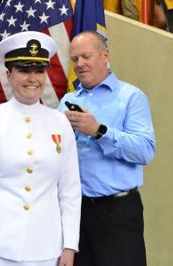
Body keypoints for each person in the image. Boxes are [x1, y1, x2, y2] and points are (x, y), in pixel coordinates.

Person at [0, 31, 82, 266]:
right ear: (9, 74)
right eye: (24, 70)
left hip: (46, 249)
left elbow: (69, 190)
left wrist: (69, 245)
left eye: (39, 71)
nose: (32, 78)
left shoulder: (60, 123)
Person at [58, 31, 156, 266]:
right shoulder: (67, 101)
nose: (79, 64)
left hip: (118, 212)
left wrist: (100, 131)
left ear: (105, 55)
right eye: (74, 59)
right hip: (76, 213)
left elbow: (145, 151)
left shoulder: (131, 97)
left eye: (86, 56)